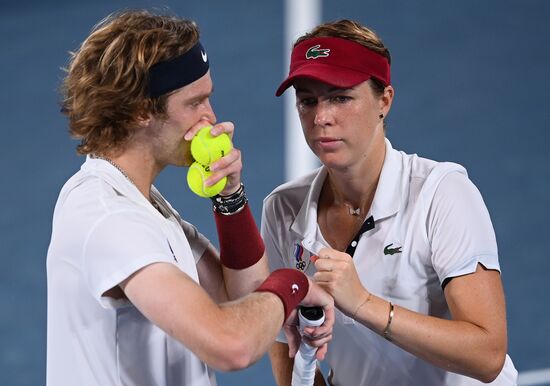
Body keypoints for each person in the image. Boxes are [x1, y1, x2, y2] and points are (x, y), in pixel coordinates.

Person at [46, 10, 334, 386]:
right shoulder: (108, 217)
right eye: (195, 103)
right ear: (140, 112)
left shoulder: (143, 204)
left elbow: (240, 299)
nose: (210, 117)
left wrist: (229, 196)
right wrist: (294, 284)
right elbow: (231, 344)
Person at [261, 19, 518, 386]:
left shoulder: (442, 194)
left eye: (340, 97)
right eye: (308, 101)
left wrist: (363, 303)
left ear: (384, 101)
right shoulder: (282, 208)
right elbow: (282, 341)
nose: (321, 118)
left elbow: (488, 355)